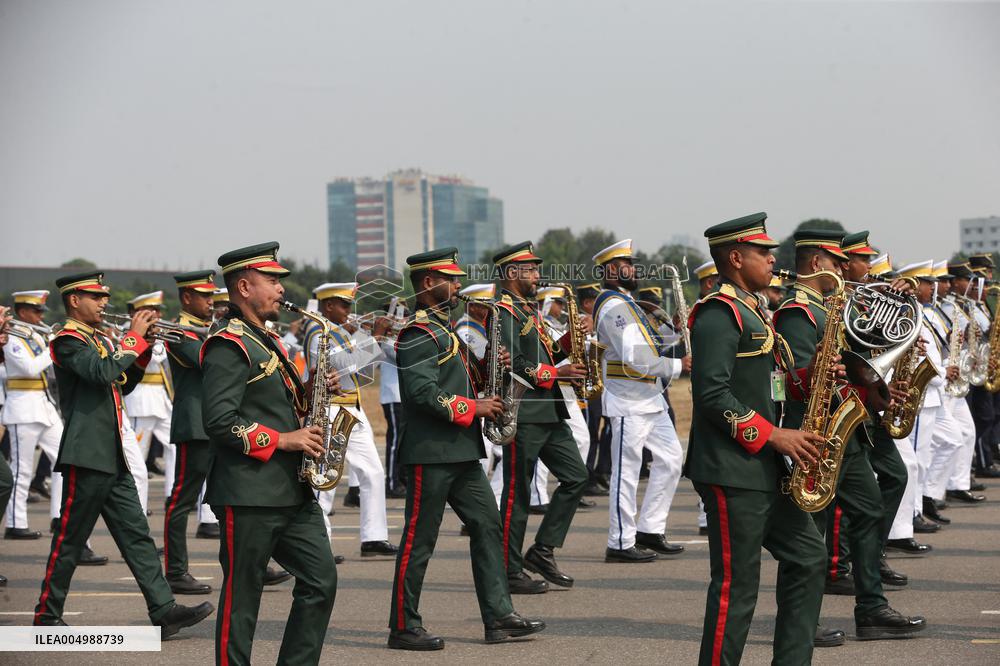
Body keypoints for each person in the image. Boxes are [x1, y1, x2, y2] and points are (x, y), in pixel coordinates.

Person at [33, 270, 213, 635]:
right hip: (86, 454)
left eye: (104, 296)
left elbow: (122, 383)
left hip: (111, 453)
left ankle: (163, 609)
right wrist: (133, 338)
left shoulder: (98, 339)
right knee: (70, 539)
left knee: (137, 535)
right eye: (96, 296)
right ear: (74, 300)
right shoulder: (67, 340)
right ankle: (47, 615)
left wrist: (142, 350)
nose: (104, 302)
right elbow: (100, 372)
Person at [685, 213, 830, 665]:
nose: (772, 258)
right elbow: (711, 393)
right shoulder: (719, 312)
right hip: (732, 467)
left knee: (809, 556)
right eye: (762, 251)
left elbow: (771, 385)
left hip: (763, 465)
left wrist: (813, 376)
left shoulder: (754, 310)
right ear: (735, 258)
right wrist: (773, 435)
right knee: (737, 588)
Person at [388, 247, 544, 650]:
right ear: (428, 283)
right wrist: (475, 408)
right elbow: (421, 393)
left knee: (488, 525)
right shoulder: (417, 334)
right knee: (419, 541)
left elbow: (461, 381)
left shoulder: (445, 331)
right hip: (430, 453)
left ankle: (499, 616)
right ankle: (403, 625)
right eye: (451, 279)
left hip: (461, 451)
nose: (459, 286)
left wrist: (491, 360)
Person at [773, 228, 925, 641]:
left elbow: (852, 364)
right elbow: (794, 380)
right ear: (817, 262)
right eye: (838, 262)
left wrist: (874, 392)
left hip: (845, 430)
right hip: (814, 432)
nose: (844, 269)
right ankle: (799, 621)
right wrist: (820, 372)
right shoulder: (797, 312)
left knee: (870, 510)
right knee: (810, 530)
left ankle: (871, 608)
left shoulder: (831, 307)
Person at [202, 243, 337, 664]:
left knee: (321, 581)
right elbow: (219, 421)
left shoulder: (266, 340)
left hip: (292, 489)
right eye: (272, 280)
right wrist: (284, 440)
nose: (281, 289)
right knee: (243, 599)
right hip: (248, 492)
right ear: (244, 287)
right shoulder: (229, 344)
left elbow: (274, 406)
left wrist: (312, 391)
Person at [494, 241, 589, 594]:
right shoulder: (502, 312)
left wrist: (572, 336)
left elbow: (548, 353)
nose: (537, 275)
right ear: (512, 273)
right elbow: (513, 364)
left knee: (577, 477)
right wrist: (557, 374)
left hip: (548, 412)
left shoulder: (527, 311)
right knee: (517, 495)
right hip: (524, 413)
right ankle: (508, 570)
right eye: (531, 269)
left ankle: (542, 550)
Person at [594, 240, 688, 562]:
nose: (633, 269)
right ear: (611, 269)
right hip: (628, 400)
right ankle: (620, 542)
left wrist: (675, 332)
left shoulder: (628, 303)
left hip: (649, 398)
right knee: (627, 471)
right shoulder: (613, 306)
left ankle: (650, 528)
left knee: (671, 459)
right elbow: (636, 357)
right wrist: (680, 365)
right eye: (627, 264)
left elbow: (652, 346)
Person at [304, 282, 397, 557]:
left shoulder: (342, 332)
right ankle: (320, 545)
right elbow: (345, 365)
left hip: (353, 408)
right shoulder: (318, 333)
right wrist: (374, 336)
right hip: (329, 410)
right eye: (344, 305)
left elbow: (368, 368)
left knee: (373, 472)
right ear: (329, 305)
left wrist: (370, 337)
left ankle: (374, 538)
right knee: (326, 480)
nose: (349, 310)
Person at [161, 270, 220, 595]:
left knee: (234, 497)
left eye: (212, 295)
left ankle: (250, 562)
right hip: (195, 425)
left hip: (218, 421)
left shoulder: (208, 329)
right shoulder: (176, 331)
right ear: (187, 297)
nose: (211, 301)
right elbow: (208, 361)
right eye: (205, 296)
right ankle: (176, 571)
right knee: (182, 500)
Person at [2, 291, 63, 539]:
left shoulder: (36, 336)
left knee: (65, 461)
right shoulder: (11, 337)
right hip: (23, 409)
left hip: (44, 407)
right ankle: (15, 524)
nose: (41, 316)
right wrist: (52, 348)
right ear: (23, 312)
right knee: (21, 469)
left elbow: (49, 370)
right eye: (36, 311)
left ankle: (59, 516)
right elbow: (29, 368)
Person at [122, 291, 174, 515]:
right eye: (154, 310)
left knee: (174, 447)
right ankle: (137, 507)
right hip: (140, 400)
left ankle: (172, 496)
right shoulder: (130, 330)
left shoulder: (157, 331)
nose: (158, 314)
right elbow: (157, 356)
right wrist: (160, 337)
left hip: (160, 400)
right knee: (137, 457)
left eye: (158, 310)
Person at [380, 298, 408, 498]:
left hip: (403, 396)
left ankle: (402, 479)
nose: (404, 320)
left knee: (403, 441)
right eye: (400, 316)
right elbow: (402, 356)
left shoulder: (401, 337)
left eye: (406, 316)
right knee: (394, 441)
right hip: (393, 396)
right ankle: (392, 483)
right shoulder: (386, 339)